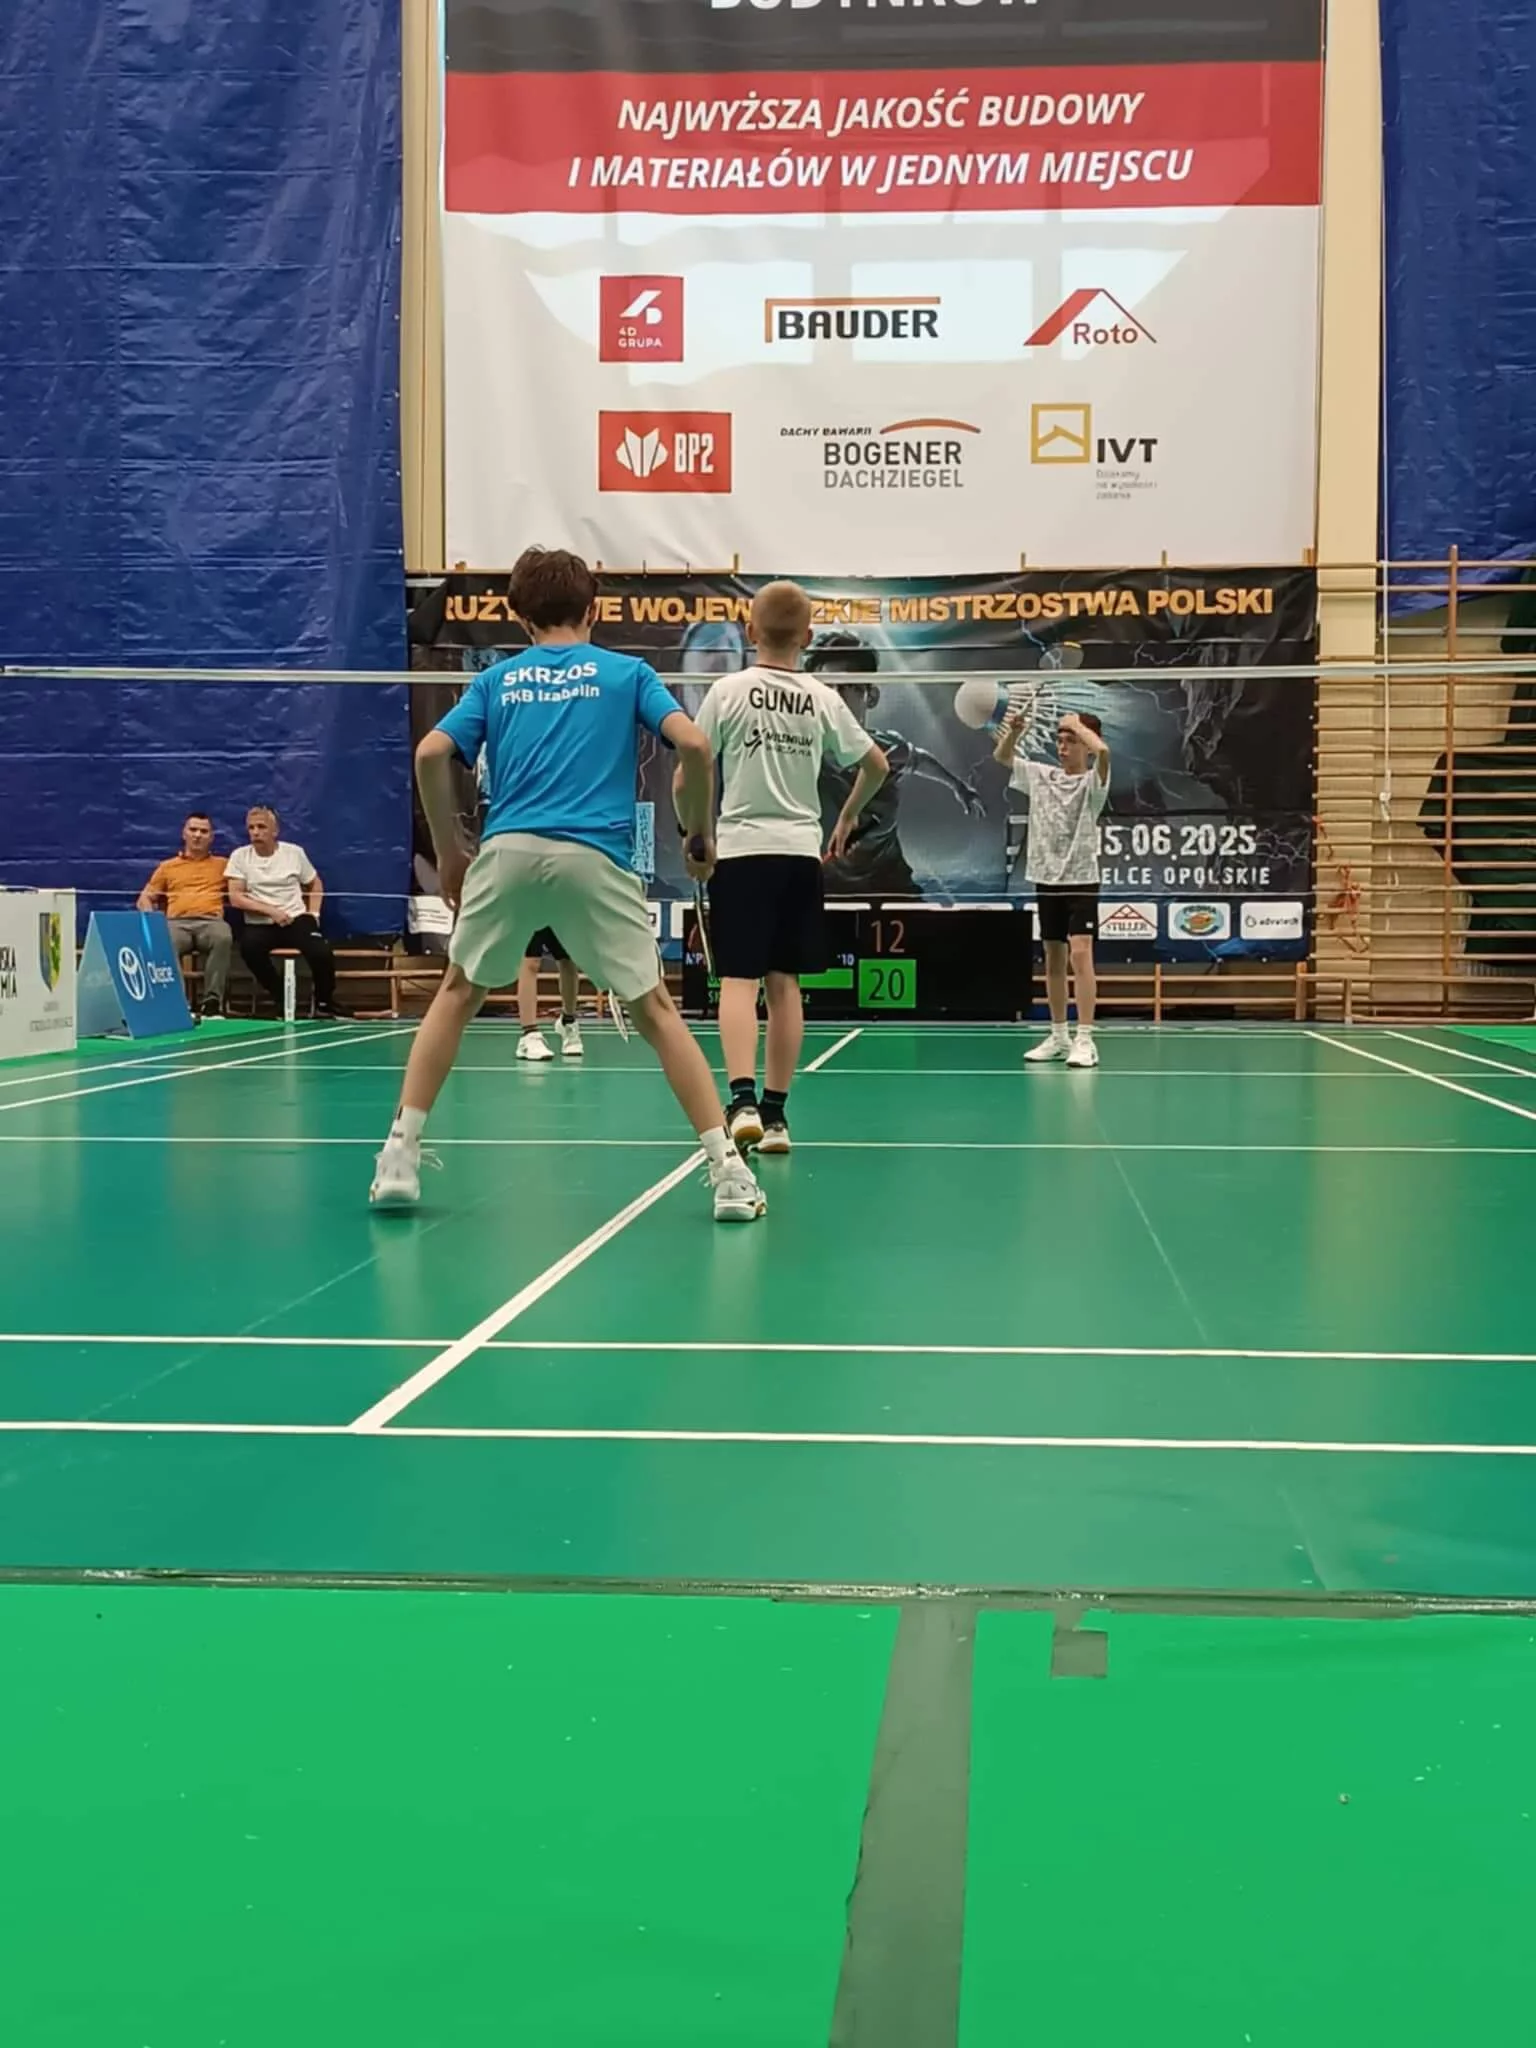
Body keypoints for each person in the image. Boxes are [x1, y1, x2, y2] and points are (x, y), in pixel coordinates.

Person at [370, 545, 763, 1223]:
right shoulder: (628, 672)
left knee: (458, 994)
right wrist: (699, 834)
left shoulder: (497, 681)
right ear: (594, 609)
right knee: (655, 1011)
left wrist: (450, 853)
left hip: (509, 850)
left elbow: (432, 752)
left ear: (519, 617)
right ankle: (728, 1173)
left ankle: (399, 1159)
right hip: (594, 857)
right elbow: (696, 746)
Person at [687, 582, 888, 1154]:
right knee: (785, 985)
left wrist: (696, 834)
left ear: (751, 631)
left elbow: (690, 770)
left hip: (742, 852)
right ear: (807, 636)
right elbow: (875, 765)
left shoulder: (726, 692)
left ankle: (742, 1101)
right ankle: (775, 1116)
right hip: (799, 853)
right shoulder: (822, 698)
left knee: (737, 980)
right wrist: (846, 817)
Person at [809, 632, 985, 897]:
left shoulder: (889, 748)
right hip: (825, 885)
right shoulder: (805, 752)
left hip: (889, 881)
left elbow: (919, 759)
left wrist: (958, 787)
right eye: (826, 688)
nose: (835, 697)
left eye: (848, 686)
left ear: (871, 696)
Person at [995, 709, 1111, 1068]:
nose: (1062, 746)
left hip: (1081, 879)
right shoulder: (1041, 775)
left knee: (1081, 953)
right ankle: (1059, 1036)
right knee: (1053, 958)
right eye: (1059, 740)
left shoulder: (1094, 782)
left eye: (1071, 740)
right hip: (1046, 879)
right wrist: (1013, 733)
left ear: (1086, 745)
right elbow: (1002, 756)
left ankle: (1085, 1039)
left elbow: (1104, 752)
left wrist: (1076, 724)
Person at [224, 806, 342, 1017]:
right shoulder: (239, 856)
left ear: (275, 831)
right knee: (249, 950)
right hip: (260, 923)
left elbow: (314, 883)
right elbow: (236, 897)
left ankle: (325, 1002)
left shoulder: (294, 853)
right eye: (251, 828)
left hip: (295, 918)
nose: (256, 832)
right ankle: (283, 998)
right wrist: (271, 911)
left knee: (321, 951)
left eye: (261, 827)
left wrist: (314, 914)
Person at [136, 812, 232, 1016]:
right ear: (184, 833)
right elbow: (144, 898)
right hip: (177, 923)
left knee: (223, 937)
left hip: (210, 922)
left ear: (211, 837)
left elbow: (240, 891)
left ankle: (212, 1001)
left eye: (203, 831)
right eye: (193, 830)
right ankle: (179, 1003)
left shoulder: (224, 865)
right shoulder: (168, 867)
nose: (197, 835)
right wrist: (152, 920)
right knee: (164, 940)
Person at [515, 929, 583, 1060]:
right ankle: (529, 1034)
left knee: (568, 960)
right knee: (531, 961)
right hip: (530, 917)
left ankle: (568, 1022)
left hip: (562, 916)